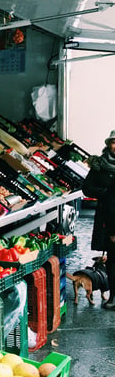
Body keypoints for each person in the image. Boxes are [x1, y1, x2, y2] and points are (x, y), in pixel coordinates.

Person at [85, 130, 115, 308]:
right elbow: (87, 188)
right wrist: (106, 194)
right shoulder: (99, 165)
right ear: (108, 144)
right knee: (112, 259)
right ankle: (113, 297)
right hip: (107, 217)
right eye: (113, 142)